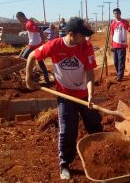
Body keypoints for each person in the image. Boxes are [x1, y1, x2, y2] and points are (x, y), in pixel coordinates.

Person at [25, 17, 103, 180]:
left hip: (83, 94)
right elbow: (32, 56)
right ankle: (65, 164)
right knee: (67, 130)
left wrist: (90, 94)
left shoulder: (86, 46)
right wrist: (28, 78)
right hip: (65, 96)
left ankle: (102, 154)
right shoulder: (55, 45)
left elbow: (89, 73)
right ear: (71, 34)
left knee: (94, 124)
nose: (85, 39)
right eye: (82, 35)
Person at [16, 12, 50, 83]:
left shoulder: (29, 23)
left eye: (19, 19)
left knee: (22, 59)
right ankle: (46, 78)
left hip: (35, 45)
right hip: (34, 44)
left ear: (21, 17)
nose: (19, 21)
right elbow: (34, 35)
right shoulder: (28, 23)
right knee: (40, 61)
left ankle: (28, 75)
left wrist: (43, 43)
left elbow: (40, 31)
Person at [110, 8, 130, 81]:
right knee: (115, 62)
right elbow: (111, 34)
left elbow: (129, 29)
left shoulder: (125, 22)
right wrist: (111, 45)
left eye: (117, 13)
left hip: (122, 45)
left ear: (120, 14)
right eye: (114, 13)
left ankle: (120, 76)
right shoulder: (113, 23)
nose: (116, 15)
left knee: (121, 61)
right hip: (115, 45)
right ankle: (118, 74)